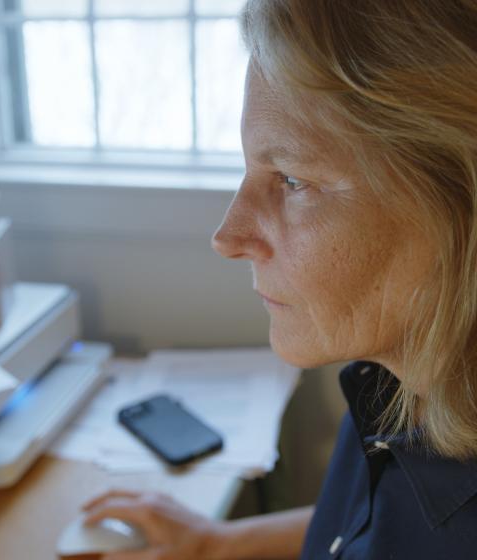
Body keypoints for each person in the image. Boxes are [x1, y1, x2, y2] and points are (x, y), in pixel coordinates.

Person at [81, 1, 477, 558]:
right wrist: (217, 543)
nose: (227, 236)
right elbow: (380, 522)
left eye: (292, 179)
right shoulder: (398, 373)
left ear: (462, 200)